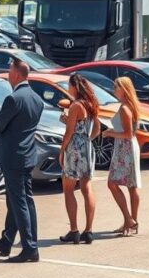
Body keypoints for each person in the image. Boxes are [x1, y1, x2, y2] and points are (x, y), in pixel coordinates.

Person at [0, 58, 44, 263]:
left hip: (13, 158)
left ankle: (30, 248)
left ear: (17, 74)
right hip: (27, 156)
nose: (8, 75)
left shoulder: (13, 99)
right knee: (21, 201)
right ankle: (7, 241)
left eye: (10, 71)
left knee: (19, 203)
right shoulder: (37, 99)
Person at [58, 73, 100, 244]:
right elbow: (97, 128)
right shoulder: (91, 104)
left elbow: (69, 132)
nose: (68, 89)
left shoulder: (75, 105)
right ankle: (89, 230)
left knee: (68, 188)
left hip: (74, 148)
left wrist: (62, 150)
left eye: (69, 86)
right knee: (87, 187)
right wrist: (87, 139)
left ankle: (74, 229)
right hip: (87, 147)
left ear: (75, 86)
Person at [100, 76, 143, 237]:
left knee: (113, 183)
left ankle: (129, 220)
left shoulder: (125, 108)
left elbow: (127, 133)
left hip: (125, 148)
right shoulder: (129, 106)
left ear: (123, 90)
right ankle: (130, 222)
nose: (114, 90)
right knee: (131, 185)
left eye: (116, 87)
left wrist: (109, 132)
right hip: (126, 147)